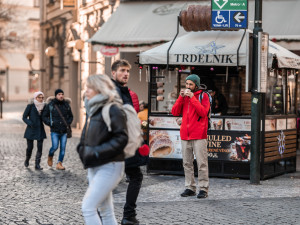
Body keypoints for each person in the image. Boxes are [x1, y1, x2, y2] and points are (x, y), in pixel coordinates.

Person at [77, 74, 127, 225]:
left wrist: (97, 151)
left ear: (100, 89)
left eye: (90, 88)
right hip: (94, 164)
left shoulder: (113, 109)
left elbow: (122, 138)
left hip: (110, 165)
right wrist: (82, 149)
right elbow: (86, 136)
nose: (86, 91)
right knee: (106, 211)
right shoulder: (92, 109)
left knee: (88, 207)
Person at [111, 59, 143, 225]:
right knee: (133, 176)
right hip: (120, 144)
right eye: (122, 70)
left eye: (128, 71)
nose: (126, 74)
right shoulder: (113, 92)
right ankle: (128, 215)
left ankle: (128, 215)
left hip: (125, 143)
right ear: (113, 73)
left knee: (133, 176)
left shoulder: (123, 90)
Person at [171, 74, 210, 199]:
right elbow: (175, 112)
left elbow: (203, 112)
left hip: (199, 135)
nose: (188, 87)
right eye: (186, 84)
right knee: (187, 163)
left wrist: (193, 98)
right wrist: (180, 98)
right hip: (185, 135)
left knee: (201, 163)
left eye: (190, 84)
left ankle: (203, 188)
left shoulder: (203, 96)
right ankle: (190, 187)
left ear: (196, 85)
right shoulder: (184, 97)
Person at [42, 89, 73, 170]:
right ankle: (50, 155)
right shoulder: (51, 105)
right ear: (56, 95)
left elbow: (71, 116)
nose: (61, 95)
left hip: (64, 131)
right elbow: (44, 116)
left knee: (63, 148)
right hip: (54, 131)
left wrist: (67, 122)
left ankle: (59, 163)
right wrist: (50, 123)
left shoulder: (66, 105)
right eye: (59, 94)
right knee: (55, 146)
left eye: (62, 94)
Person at [22, 91, 47, 170]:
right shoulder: (30, 106)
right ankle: (27, 159)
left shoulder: (44, 106)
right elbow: (24, 117)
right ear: (35, 98)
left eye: (42, 97)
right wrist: (30, 123)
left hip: (40, 129)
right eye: (39, 97)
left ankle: (37, 164)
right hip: (31, 129)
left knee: (40, 147)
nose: (41, 99)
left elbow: (45, 117)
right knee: (30, 147)